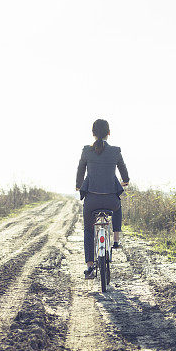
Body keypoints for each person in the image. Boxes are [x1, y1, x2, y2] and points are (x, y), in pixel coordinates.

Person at [76, 119, 130, 279]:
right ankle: (116, 240)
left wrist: (79, 186)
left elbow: (80, 171)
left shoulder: (86, 151)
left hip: (91, 201)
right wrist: (124, 182)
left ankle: (90, 266)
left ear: (93, 133)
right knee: (118, 206)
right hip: (110, 202)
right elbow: (125, 175)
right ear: (109, 133)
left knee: (88, 229)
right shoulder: (115, 151)